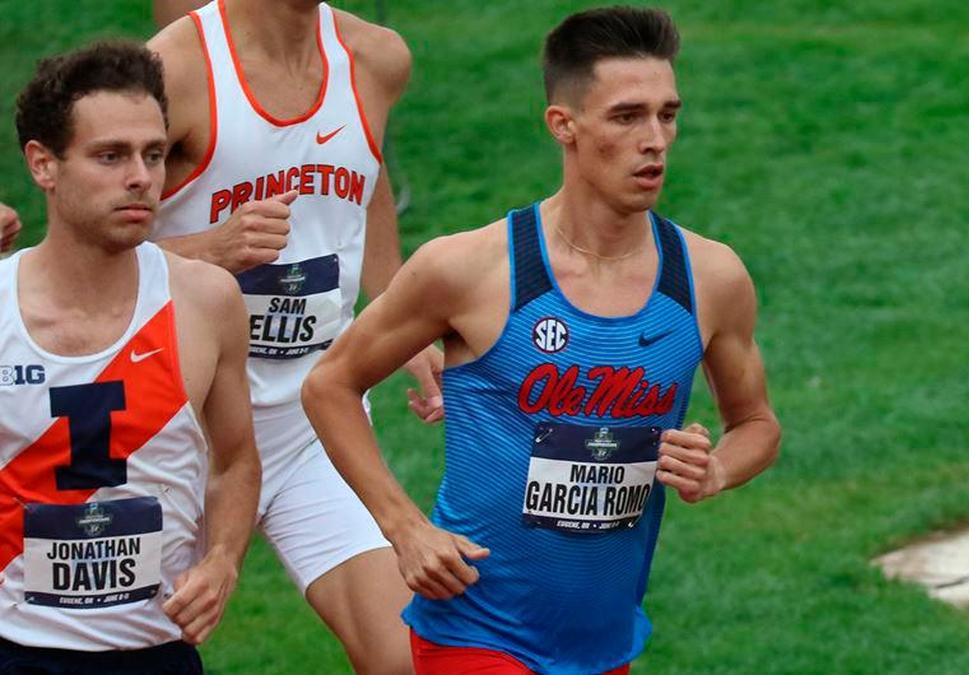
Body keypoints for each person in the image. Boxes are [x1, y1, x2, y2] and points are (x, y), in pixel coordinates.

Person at [303, 6, 783, 673]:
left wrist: (720, 467)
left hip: (605, 639)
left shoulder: (710, 279)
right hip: (476, 629)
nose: (656, 140)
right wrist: (404, 527)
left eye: (667, 114)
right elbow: (329, 382)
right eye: (627, 116)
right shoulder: (470, 270)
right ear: (565, 125)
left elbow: (756, 422)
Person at [147, 1, 441, 670]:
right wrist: (208, 247)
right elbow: (85, 250)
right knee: (127, 654)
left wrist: (400, 313)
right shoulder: (174, 70)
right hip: (178, 431)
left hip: (313, 422)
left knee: (407, 657)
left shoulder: (377, 58)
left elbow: (364, 178)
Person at [0, 41, 260, 673]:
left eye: (153, 154)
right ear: (43, 165)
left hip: (156, 652)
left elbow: (236, 461)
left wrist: (223, 559)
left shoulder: (207, 301)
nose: (141, 177)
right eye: (110, 156)